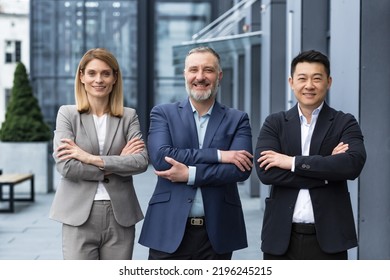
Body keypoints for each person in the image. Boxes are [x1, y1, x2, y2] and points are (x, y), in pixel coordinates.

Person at [138, 46, 253, 260]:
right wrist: (220, 156)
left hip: (217, 232)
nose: (200, 77)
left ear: (219, 76)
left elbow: (240, 170)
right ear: (185, 74)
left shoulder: (237, 119)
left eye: (208, 70)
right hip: (168, 228)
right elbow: (162, 159)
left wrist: (190, 175)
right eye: (193, 70)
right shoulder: (163, 113)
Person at [255, 50, 366, 260]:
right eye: (302, 78)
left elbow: (351, 166)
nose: (309, 85)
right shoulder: (275, 123)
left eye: (317, 78)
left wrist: (291, 162)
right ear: (291, 82)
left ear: (329, 81)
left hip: (330, 238)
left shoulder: (344, 122)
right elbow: (266, 172)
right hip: (281, 238)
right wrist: (328, 170)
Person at [49, 48, 149, 260]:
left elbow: (140, 161)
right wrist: (117, 164)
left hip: (120, 214)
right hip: (78, 215)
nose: (99, 79)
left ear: (114, 78)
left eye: (106, 73)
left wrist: (89, 158)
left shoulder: (128, 116)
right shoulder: (67, 114)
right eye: (92, 73)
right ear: (82, 76)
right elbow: (66, 166)